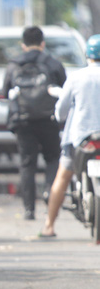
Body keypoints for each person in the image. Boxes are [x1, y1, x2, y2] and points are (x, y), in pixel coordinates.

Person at [2, 26, 66, 220]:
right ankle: (50, 199)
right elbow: (64, 90)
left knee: (27, 164)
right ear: (42, 44)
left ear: (23, 45)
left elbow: (6, 92)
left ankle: (29, 209)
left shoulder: (14, 65)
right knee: (53, 159)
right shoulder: (53, 63)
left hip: (23, 121)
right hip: (49, 120)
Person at [41, 34, 100, 237]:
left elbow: (62, 111)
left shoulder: (77, 77)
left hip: (80, 138)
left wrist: (59, 116)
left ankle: (49, 226)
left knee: (63, 176)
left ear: (88, 55)